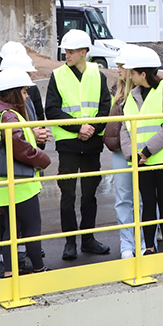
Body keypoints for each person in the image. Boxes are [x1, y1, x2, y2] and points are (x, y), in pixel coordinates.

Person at [45, 29, 112, 261]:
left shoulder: (98, 74)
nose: (67, 55)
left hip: (92, 144)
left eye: (72, 51)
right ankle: (70, 242)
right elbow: (52, 110)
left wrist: (91, 129)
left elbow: (105, 107)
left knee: (90, 195)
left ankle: (89, 239)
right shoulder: (58, 75)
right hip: (69, 146)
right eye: (66, 51)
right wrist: (78, 127)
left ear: (84, 52)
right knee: (68, 194)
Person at [0, 68, 52, 276]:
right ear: (14, 93)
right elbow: (18, 145)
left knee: (9, 230)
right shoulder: (9, 117)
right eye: (23, 91)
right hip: (21, 185)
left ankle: (9, 273)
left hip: (5, 184)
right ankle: (39, 269)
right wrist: (43, 159)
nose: (27, 95)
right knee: (32, 228)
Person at [120, 47, 163, 252]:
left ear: (143, 74)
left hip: (161, 160)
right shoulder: (131, 95)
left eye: (132, 72)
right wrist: (131, 154)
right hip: (140, 162)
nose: (129, 75)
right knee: (147, 203)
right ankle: (148, 247)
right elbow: (125, 127)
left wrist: (146, 152)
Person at [103, 45, 143, 258]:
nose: (118, 70)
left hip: (142, 151)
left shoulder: (143, 93)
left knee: (143, 198)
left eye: (121, 66)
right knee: (124, 198)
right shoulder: (115, 92)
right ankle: (127, 244)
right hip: (121, 152)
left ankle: (145, 241)